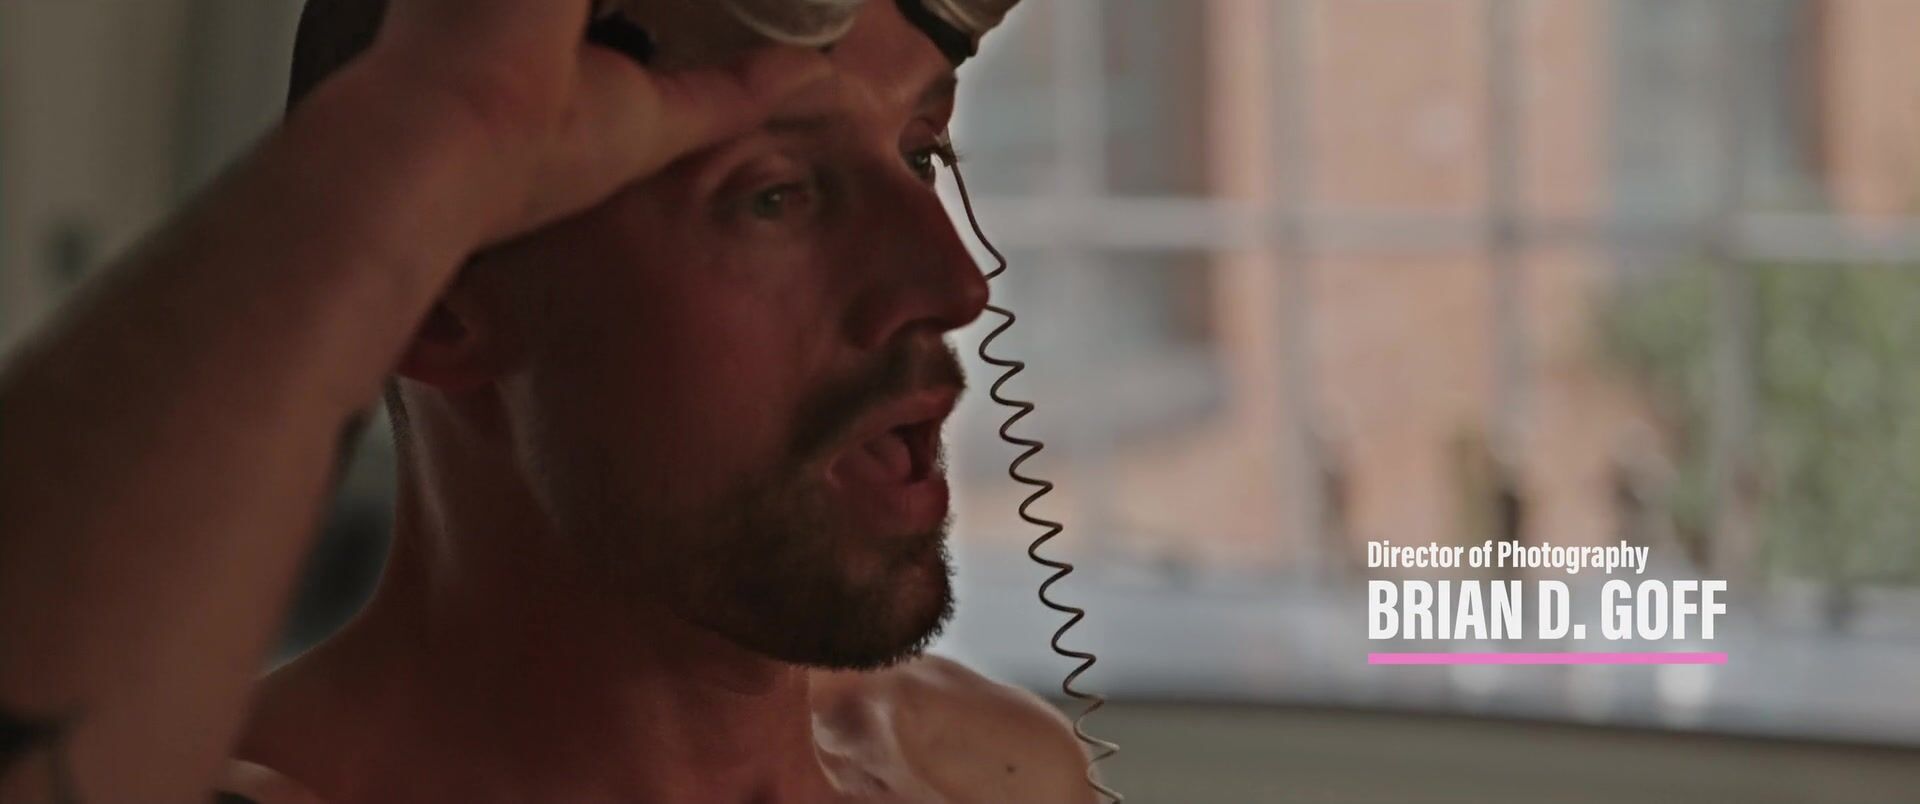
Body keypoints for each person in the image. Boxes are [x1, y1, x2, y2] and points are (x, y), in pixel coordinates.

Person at [0, 0, 1095, 800]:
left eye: (920, 154)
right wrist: (433, 135)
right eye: (773, 195)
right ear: (438, 307)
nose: (954, 283)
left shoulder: (987, 776)